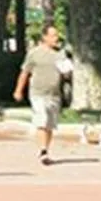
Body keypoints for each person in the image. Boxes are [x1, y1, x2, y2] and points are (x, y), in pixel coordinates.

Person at [13, 24, 68, 166]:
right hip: (37, 93)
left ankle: (45, 148)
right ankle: (43, 151)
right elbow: (25, 72)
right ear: (45, 37)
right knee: (41, 120)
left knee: (50, 125)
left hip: (54, 94)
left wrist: (67, 71)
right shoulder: (34, 53)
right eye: (53, 35)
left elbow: (66, 73)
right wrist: (18, 90)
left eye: (57, 35)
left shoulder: (60, 54)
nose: (56, 38)